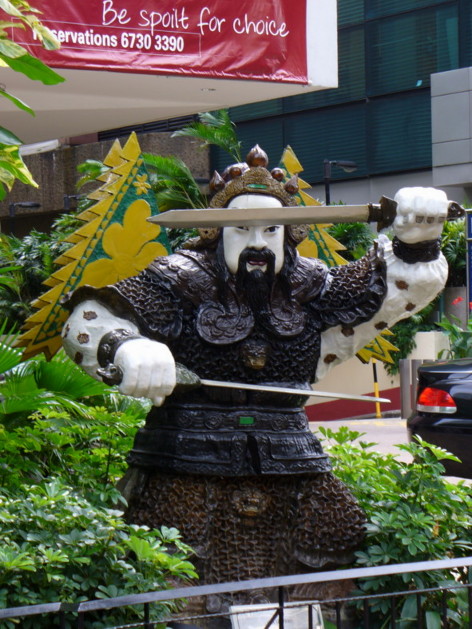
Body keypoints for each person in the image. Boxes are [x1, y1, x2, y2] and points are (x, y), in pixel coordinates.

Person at [62, 146, 449, 600]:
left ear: (288, 234)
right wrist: (127, 347)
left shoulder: (312, 285)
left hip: (294, 457)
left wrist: (416, 239)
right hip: (185, 457)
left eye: (270, 229)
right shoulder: (178, 280)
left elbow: (394, 289)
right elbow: (89, 317)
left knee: (333, 559)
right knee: (169, 577)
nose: (258, 244)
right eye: (242, 229)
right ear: (217, 232)